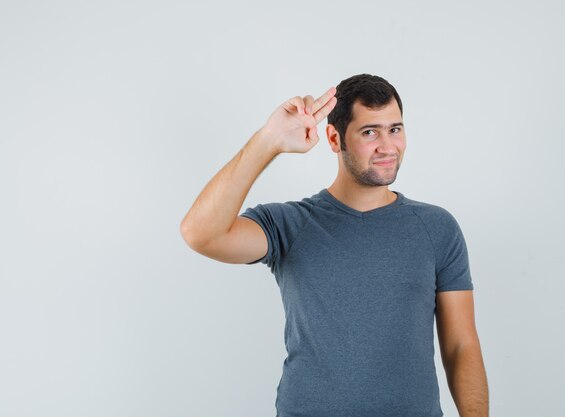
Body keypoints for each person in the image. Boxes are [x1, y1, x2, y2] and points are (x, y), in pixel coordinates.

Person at [180, 74, 489, 417]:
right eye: (370, 132)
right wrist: (268, 141)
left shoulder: (437, 228)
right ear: (333, 138)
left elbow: (462, 345)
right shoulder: (291, 225)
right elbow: (200, 233)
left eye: (395, 129)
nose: (387, 146)